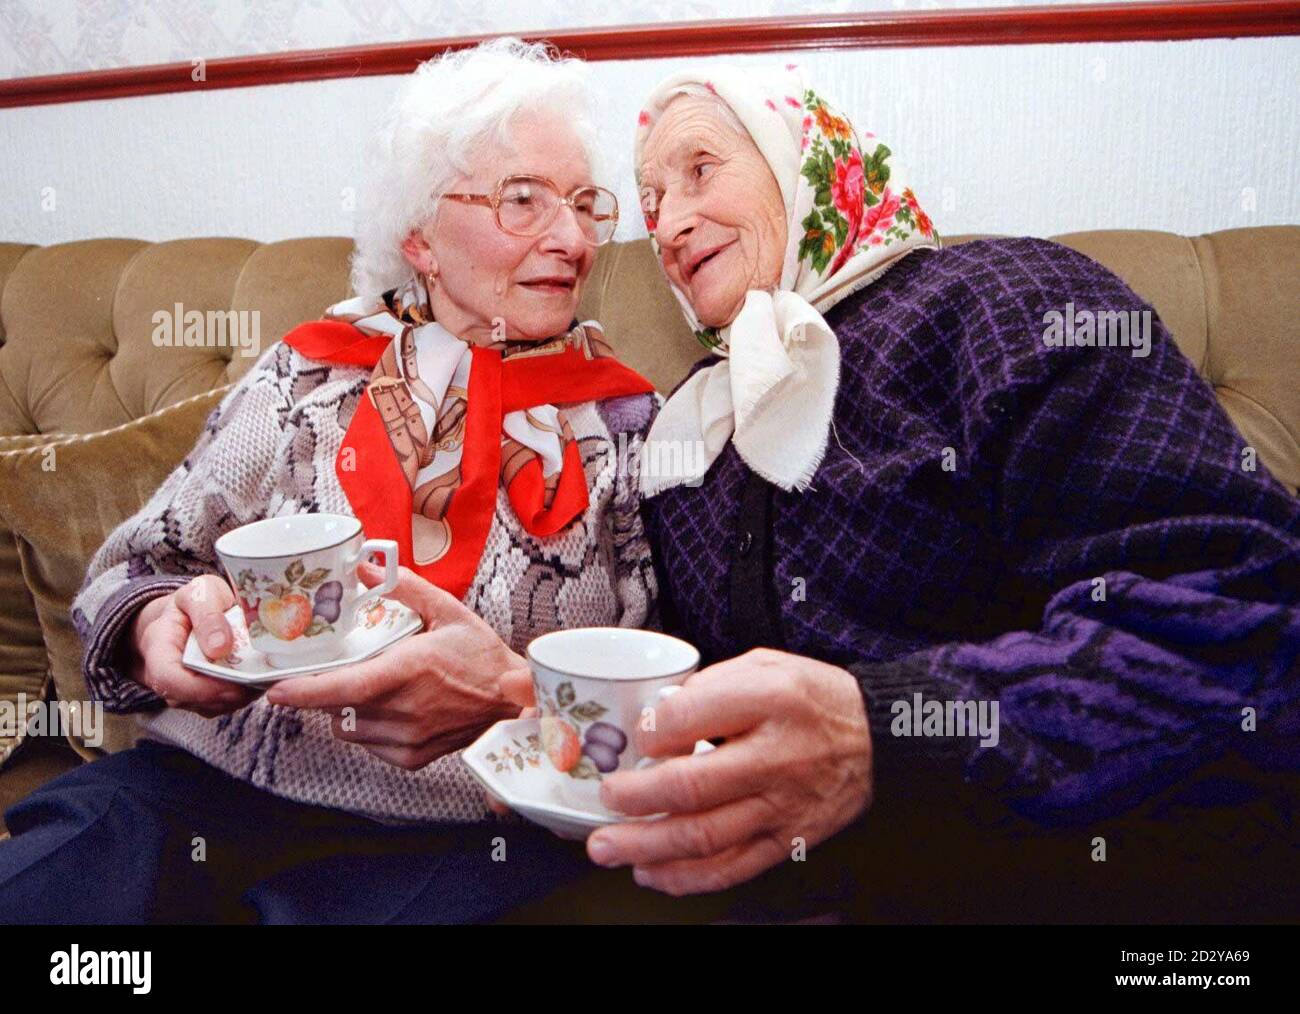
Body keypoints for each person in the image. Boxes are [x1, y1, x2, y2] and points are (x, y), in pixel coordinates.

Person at [573, 62, 1300, 915]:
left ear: (804, 160)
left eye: (700, 170)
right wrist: (533, 693)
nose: (671, 223)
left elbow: (1250, 622)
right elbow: (663, 669)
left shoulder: (1009, 301)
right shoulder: (691, 427)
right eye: (651, 201)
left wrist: (883, 735)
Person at [0, 38, 659, 924]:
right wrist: (158, 623)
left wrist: (517, 692)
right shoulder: (307, 375)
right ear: (419, 237)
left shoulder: (628, 423)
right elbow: (132, 567)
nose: (573, 238)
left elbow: (670, 693)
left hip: (469, 829)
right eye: (523, 200)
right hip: (206, 783)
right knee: (48, 886)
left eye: (584, 204)